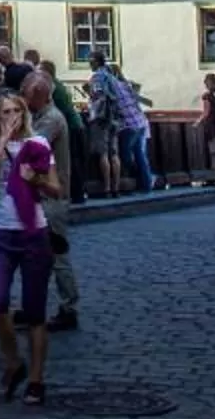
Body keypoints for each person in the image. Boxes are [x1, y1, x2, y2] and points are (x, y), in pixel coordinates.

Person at [0, 90, 59, 406]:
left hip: (33, 231)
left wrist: (35, 179)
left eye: (15, 111)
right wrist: (1, 143)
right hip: (1, 231)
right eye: (4, 113)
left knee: (35, 308)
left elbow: (56, 188)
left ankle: (37, 379)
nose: (11, 117)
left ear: (24, 113)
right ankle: (13, 361)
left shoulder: (38, 144)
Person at [21, 68, 81, 330]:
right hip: (39, 195)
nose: (23, 100)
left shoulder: (52, 119)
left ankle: (69, 306)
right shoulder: (40, 115)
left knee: (57, 253)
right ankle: (34, 306)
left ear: (41, 95)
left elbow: (31, 148)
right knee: (37, 255)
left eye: (26, 95)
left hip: (52, 198)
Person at [87, 48, 151, 194]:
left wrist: (89, 95)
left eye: (90, 61)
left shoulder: (98, 77)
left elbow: (98, 96)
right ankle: (137, 185)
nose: (89, 65)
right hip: (129, 120)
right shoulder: (117, 80)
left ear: (95, 62)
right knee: (125, 154)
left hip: (109, 119)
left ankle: (109, 188)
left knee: (106, 154)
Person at [39, 57, 88, 205]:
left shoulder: (52, 87)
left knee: (71, 160)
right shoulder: (58, 84)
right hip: (75, 124)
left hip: (71, 126)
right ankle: (78, 193)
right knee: (74, 160)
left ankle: (77, 194)